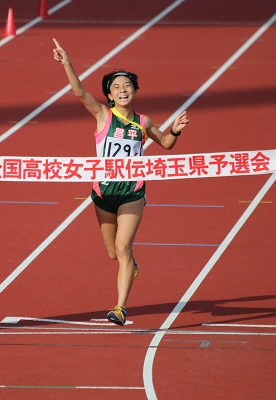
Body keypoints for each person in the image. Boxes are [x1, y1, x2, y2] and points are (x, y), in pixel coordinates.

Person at [53, 38, 190, 326]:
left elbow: (165, 144)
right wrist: (67, 64)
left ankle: (119, 308)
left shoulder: (143, 121)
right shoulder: (103, 116)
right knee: (113, 253)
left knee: (124, 247)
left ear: (135, 91)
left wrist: (174, 131)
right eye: (116, 87)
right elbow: (79, 93)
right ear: (109, 96)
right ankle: (131, 265)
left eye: (127, 85)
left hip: (132, 192)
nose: (123, 90)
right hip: (103, 193)